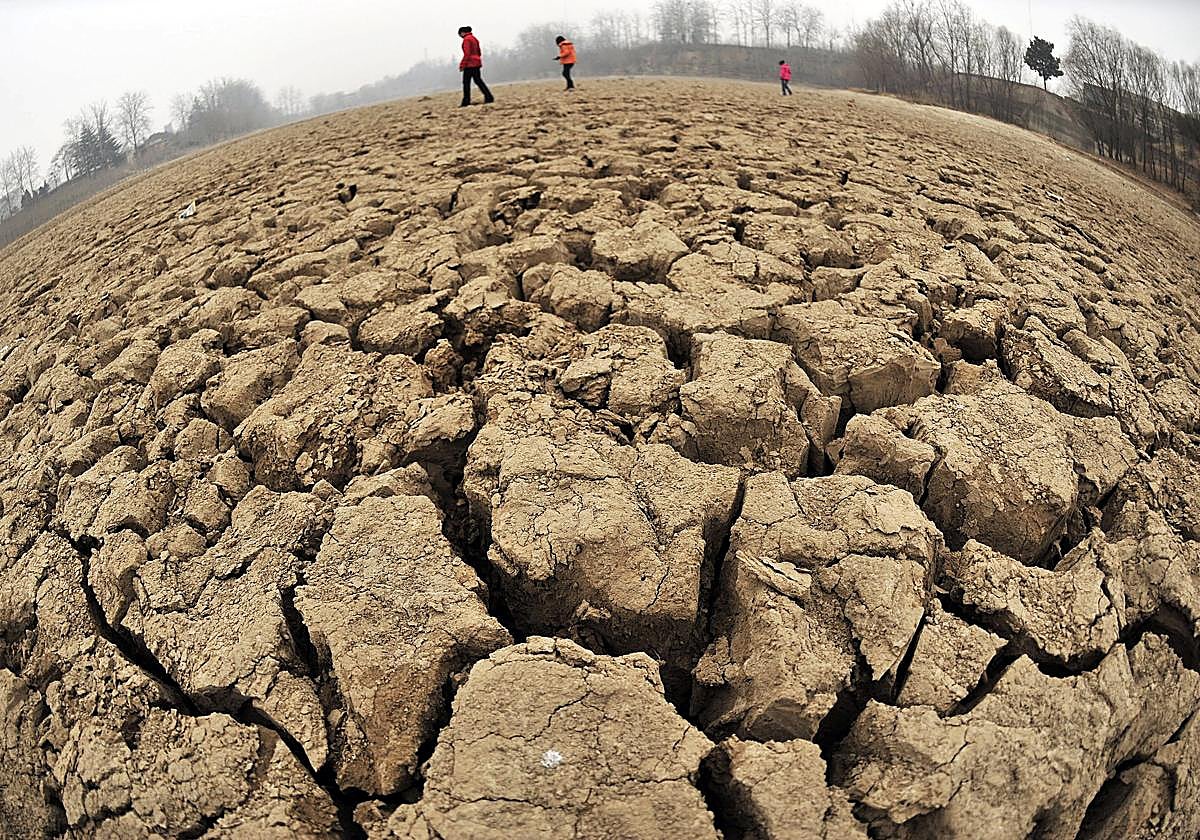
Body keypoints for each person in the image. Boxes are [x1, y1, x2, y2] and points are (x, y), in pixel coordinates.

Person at [458, 26, 494, 107]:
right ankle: (489, 97)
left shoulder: (466, 40)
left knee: (466, 83)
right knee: (478, 81)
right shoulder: (474, 39)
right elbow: (479, 52)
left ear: (462, 33)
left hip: (470, 64)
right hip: (477, 62)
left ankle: (466, 101)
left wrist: (462, 65)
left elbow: (467, 54)